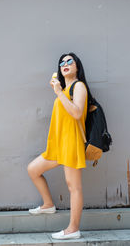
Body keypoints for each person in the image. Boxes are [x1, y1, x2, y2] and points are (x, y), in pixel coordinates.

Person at [27, 52, 94, 240]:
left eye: (69, 61)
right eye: (62, 62)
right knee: (33, 169)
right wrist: (59, 90)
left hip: (71, 143)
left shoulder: (78, 86)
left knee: (74, 187)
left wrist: (57, 92)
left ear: (77, 67)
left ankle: (73, 229)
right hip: (58, 145)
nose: (65, 64)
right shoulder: (64, 89)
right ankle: (48, 205)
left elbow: (77, 112)